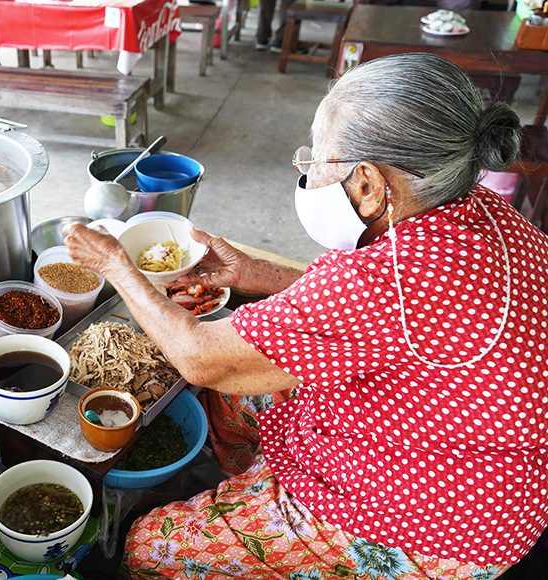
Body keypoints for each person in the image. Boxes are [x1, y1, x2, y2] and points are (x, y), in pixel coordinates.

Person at [62, 52, 548, 579]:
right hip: (460, 448)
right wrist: (253, 271)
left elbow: (200, 360)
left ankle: (271, 523)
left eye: (317, 159)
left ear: (367, 183)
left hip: (434, 523)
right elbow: (375, 326)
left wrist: (114, 264)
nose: (309, 172)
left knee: (148, 546)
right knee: (241, 398)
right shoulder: (476, 207)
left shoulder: (390, 279)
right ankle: (254, 498)